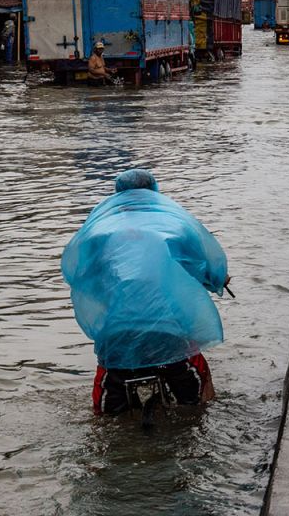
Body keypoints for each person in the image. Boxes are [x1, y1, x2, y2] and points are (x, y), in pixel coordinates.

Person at [61, 169, 230, 418]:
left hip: (118, 338)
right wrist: (217, 280)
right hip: (169, 335)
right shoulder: (176, 228)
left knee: (104, 416)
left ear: (118, 196)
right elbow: (206, 265)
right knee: (199, 402)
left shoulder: (98, 234)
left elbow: (79, 273)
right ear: (155, 191)